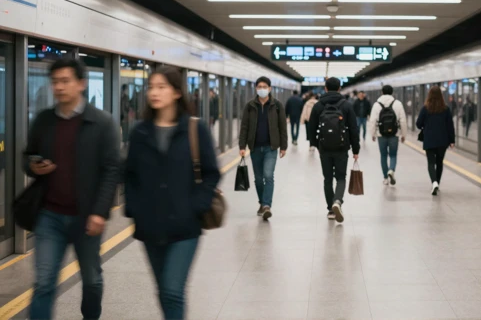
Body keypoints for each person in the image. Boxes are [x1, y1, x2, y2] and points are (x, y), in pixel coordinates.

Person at [24, 58, 121, 320]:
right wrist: (34, 166)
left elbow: (112, 170)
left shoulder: (102, 123)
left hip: (86, 216)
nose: (59, 87)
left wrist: (100, 212)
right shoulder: (44, 121)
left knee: (91, 281)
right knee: (44, 283)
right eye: (55, 82)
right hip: (49, 216)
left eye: (65, 81)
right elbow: (28, 156)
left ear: (81, 84)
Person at [124, 66, 221, 320]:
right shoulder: (140, 133)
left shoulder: (194, 129)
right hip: (150, 225)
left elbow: (211, 172)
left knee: (172, 290)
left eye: (161, 87)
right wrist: (135, 209)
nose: (154, 92)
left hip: (185, 226)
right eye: (151, 87)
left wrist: (196, 206)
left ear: (177, 92)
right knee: (163, 290)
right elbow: (129, 174)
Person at [308, 77, 359, 223]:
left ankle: (331, 209)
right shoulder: (346, 105)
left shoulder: (318, 105)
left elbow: (311, 127)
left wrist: (316, 145)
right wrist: (356, 149)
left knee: (328, 178)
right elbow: (354, 129)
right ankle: (337, 201)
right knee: (341, 177)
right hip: (342, 147)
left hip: (324, 147)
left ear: (325, 88)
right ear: (339, 88)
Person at [238, 77, 288, 220]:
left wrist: (283, 146)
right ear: (256, 88)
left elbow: (282, 127)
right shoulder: (249, 106)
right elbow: (244, 127)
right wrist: (242, 146)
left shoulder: (277, 106)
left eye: (264, 86)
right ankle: (262, 203)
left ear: (270, 88)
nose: (262, 89)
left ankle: (266, 205)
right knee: (258, 179)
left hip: (270, 147)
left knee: (268, 175)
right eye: (259, 86)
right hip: (254, 147)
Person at [416, 85, 455, 195]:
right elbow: (450, 126)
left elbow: (418, 124)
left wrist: (426, 125)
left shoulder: (425, 108)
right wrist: (452, 141)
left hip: (429, 140)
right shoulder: (446, 109)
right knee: (439, 162)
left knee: (430, 162)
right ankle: (437, 182)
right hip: (443, 141)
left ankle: (434, 183)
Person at [369, 85, 407, 185]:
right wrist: (404, 134)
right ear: (392, 92)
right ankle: (391, 170)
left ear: (382, 92)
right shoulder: (398, 104)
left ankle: (385, 178)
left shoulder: (377, 105)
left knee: (383, 155)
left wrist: (372, 133)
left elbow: (372, 120)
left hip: (381, 134)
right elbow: (403, 120)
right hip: (394, 134)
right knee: (393, 155)